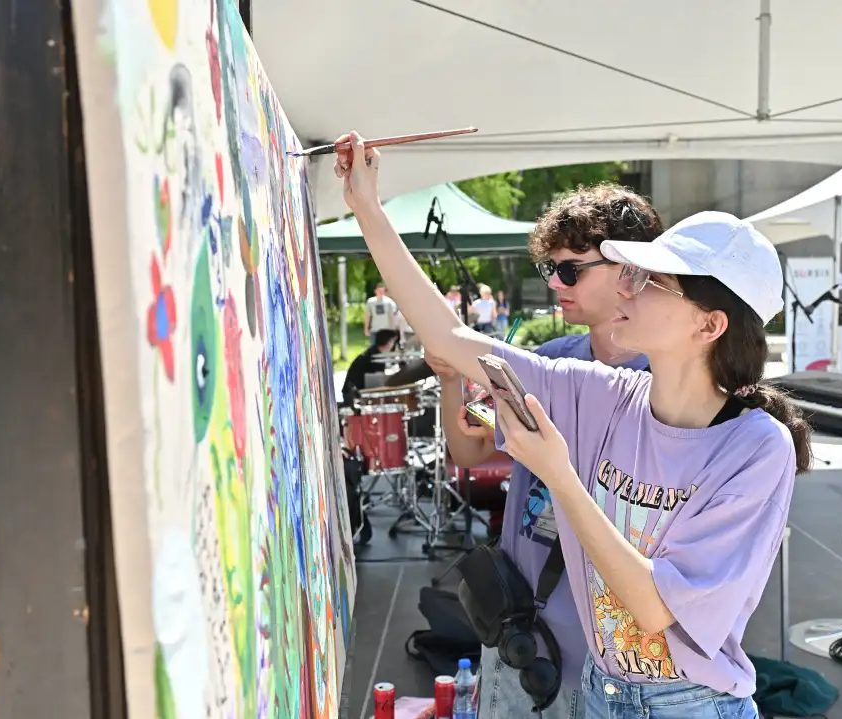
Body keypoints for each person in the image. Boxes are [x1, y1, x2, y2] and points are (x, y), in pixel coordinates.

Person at [333, 131, 810, 718]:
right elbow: (449, 339)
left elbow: (654, 608)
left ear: (709, 326)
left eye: (653, 281)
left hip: (689, 704)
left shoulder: (756, 446)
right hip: (598, 692)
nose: (628, 288)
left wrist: (561, 479)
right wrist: (368, 209)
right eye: (630, 273)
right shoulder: (603, 393)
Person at [426, 183, 662, 719]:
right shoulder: (550, 360)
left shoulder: (668, 385)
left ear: (630, 270)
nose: (556, 282)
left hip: (608, 642)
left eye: (572, 269)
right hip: (515, 622)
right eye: (550, 269)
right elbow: (467, 449)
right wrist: (447, 381)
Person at [340, 329, 398, 406]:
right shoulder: (376, 358)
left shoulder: (372, 352)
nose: (393, 345)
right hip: (354, 396)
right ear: (387, 342)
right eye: (392, 342)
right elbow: (377, 384)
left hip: (351, 391)